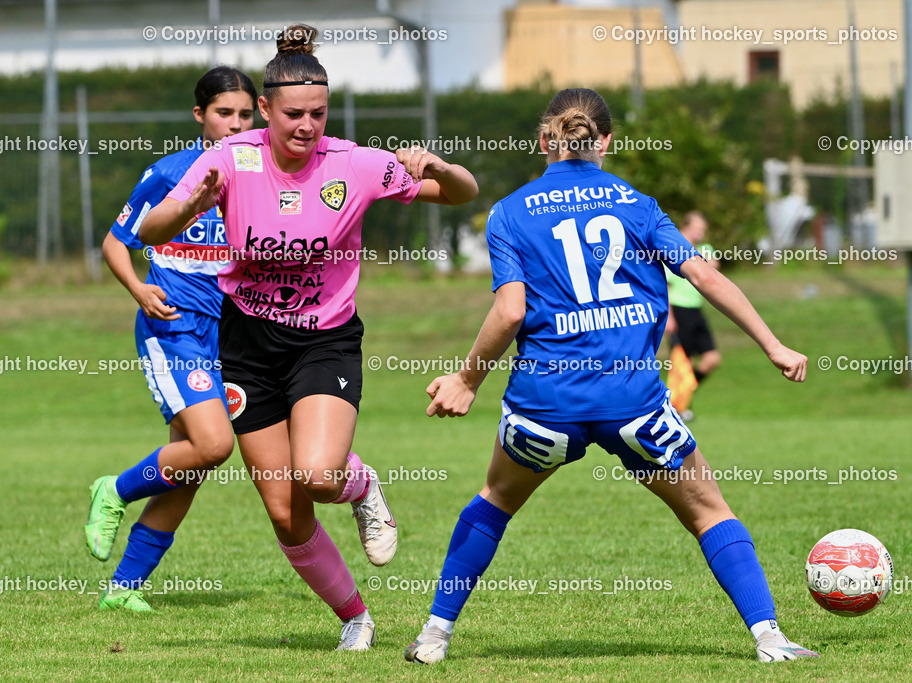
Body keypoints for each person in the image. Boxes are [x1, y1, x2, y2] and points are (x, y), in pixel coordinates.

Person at [404, 88, 818, 665]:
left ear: (544, 140)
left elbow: (510, 311)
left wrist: (468, 379)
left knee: (495, 502)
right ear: (606, 141)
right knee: (709, 512)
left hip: (545, 407)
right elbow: (704, 277)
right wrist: (772, 344)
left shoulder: (510, 212)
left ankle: (434, 636)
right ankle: (770, 639)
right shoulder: (638, 205)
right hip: (633, 404)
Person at [134, 25, 478, 650]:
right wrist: (186, 208)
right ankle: (355, 618)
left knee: (317, 476)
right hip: (247, 343)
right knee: (286, 511)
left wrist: (439, 167)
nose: (307, 126)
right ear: (265, 109)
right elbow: (150, 231)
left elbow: (461, 193)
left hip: (325, 341)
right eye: (294, 114)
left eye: (318, 113)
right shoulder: (229, 159)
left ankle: (362, 485)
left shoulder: (354, 163)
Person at [83, 66, 257, 612]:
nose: (235, 124)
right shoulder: (170, 173)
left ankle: (124, 587)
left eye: (245, 114)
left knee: (192, 466)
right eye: (224, 113)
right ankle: (114, 489)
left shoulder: (263, 177)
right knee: (213, 446)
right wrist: (138, 289)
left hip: (231, 334)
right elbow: (116, 242)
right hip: (174, 327)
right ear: (200, 115)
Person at [665, 211, 720, 420]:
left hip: (696, 310)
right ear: (685, 226)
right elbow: (666, 287)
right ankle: (677, 406)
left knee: (712, 358)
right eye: (696, 227)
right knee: (682, 362)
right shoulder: (673, 248)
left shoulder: (704, 249)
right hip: (678, 309)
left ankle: (681, 396)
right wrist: (669, 317)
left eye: (703, 229)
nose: (700, 232)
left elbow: (714, 266)